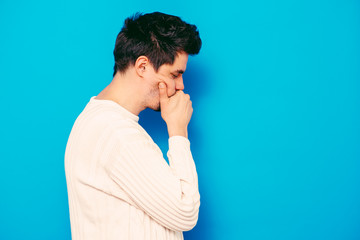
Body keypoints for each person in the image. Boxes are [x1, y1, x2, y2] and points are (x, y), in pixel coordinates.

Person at [64, 12, 202, 240]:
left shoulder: (98, 120)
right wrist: (178, 132)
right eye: (175, 74)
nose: (181, 85)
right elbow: (185, 213)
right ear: (142, 66)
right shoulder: (117, 134)